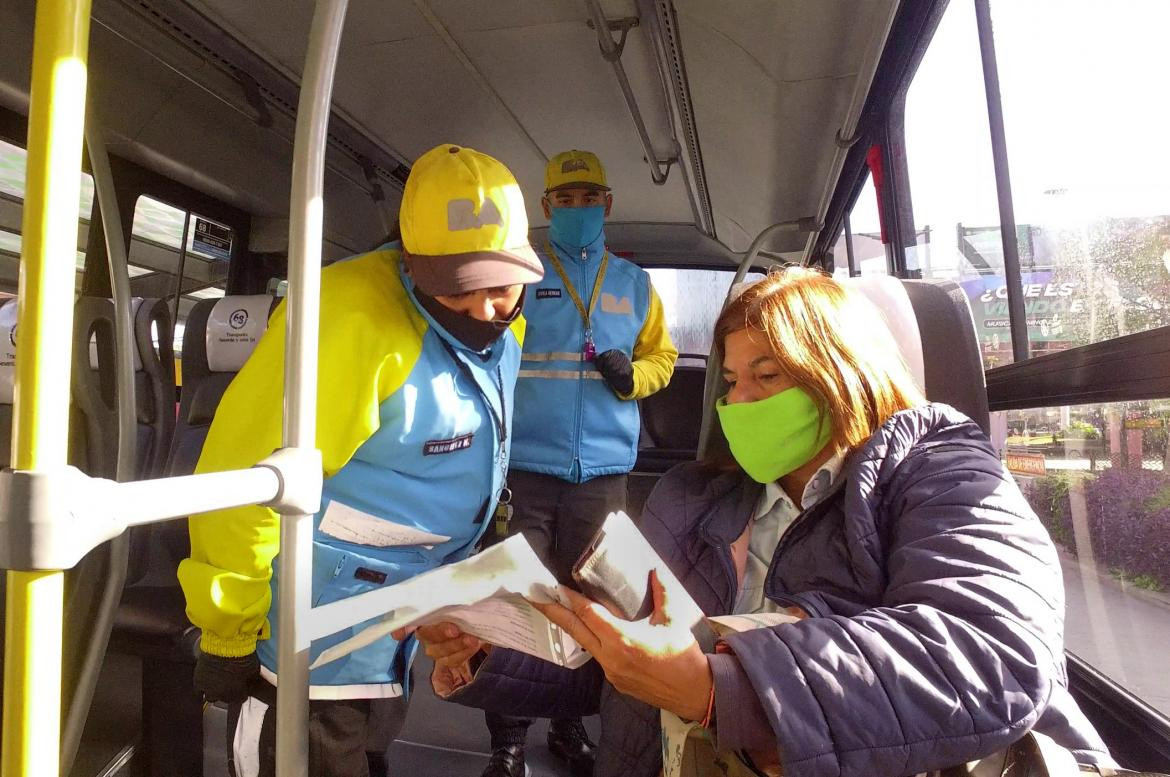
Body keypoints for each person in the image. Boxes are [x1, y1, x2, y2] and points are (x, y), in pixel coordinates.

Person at [413, 268, 1114, 777]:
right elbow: (618, 671)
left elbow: (991, 649)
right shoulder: (690, 499)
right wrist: (486, 646)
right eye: (731, 381)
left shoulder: (941, 471)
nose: (738, 400)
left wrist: (717, 688)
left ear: (839, 371)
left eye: (768, 376)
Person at [177, 143, 544, 777]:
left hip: (393, 631)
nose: (486, 307)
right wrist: (227, 627)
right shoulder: (341, 321)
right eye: (463, 286)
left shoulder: (503, 325)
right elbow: (245, 478)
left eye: (502, 284)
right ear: (413, 261)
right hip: (305, 643)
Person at [479, 149, 678, 777]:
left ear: (607, 204)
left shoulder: (635, 283)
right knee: (520, 601)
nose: (576, 208)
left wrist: (634, 377)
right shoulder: (520, 276)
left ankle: (568, 725)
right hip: (527, 472)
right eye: (564, 199)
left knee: (593, 602)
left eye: (587, 196)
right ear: (545, 208)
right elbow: (488, 354)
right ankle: (507, 741)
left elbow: (663, 359)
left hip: (602, 475)